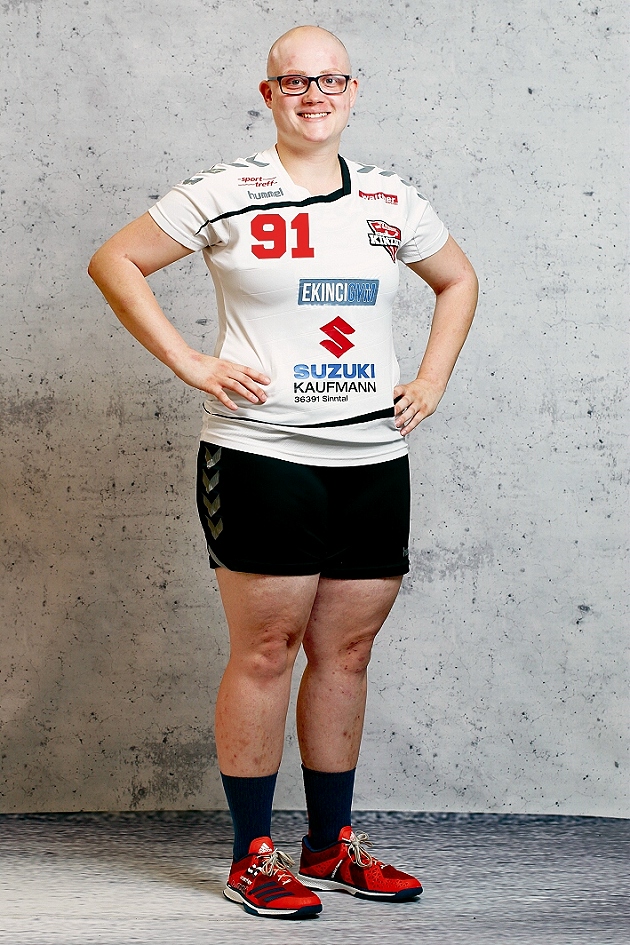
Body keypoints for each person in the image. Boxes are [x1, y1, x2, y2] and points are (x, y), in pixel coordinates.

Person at [88, 25, 478, 920]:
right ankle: (252, 856)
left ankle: (330, 844)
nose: (314, 94)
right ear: (269, 95)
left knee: (347, 651)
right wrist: (191, 361)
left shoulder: (389, 199)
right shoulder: (228, 191)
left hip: (372, 457)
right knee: (268, 649)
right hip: (263, 454)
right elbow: (116, 260)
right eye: (295, 81)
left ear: (353, 90)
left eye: (331, 80)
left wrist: (431, 378)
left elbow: (458, 280)